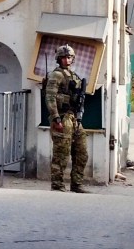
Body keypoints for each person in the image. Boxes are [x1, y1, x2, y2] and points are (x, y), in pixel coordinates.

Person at [45, 44, 89, 193]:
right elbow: (50, 97)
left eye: (69, 57)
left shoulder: (74, 75)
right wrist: (56, 118)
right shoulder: (56, 75)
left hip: (74, 118)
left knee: (81, 152)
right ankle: (57, 185)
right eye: (64, 57)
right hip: (62, 118)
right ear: (59, 59)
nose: (67, 60)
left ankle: (77, 184)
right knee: (61, 154)